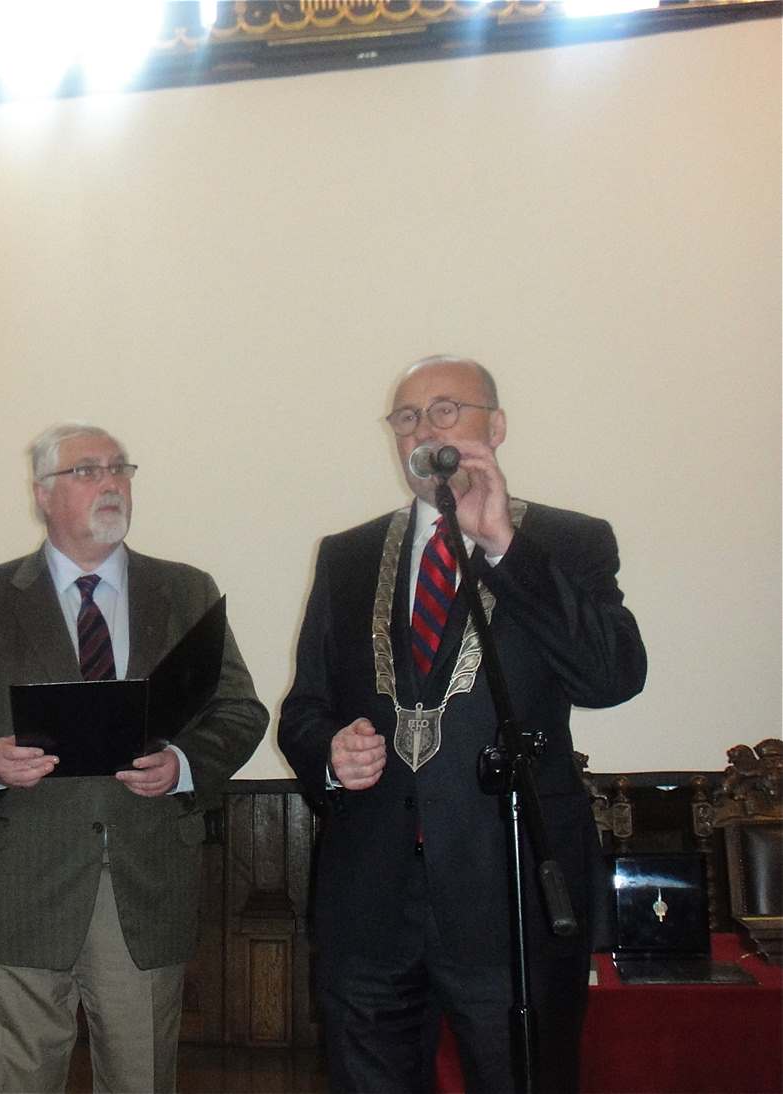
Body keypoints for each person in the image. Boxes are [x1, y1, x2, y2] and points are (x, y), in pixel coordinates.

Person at [278, 355, 647, 1092]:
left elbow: (611, 677)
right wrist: (329, 752)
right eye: (407, 417)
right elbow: (304, 709)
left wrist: (503, 544)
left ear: (495, 427)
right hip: (370, 895)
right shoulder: (347, 556)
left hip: (510, 890)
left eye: (446, 410)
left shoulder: (568, 541)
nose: (425, 430)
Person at [0, 422, 267, 1093]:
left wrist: (183, 764)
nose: (110, 483)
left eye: (119, 468)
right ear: (42, 494)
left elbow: (240, 711)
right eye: (86, 470)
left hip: (143, 884)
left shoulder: (185, 590)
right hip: (18, 887)